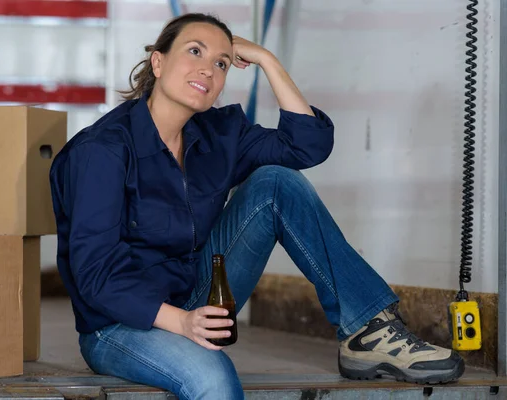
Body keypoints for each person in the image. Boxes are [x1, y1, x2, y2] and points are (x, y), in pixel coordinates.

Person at [49, 12, 465, 399]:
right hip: (120, 323)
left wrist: (267, 60)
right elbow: (94, 277)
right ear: (158, 63)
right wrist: (180, 322)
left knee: (276, 183)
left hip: (193, 294)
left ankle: (367, 333)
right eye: (195, 51)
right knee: (213, 375)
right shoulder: (101, 151)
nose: (208, 69)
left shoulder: (218, 134)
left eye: (223, 63)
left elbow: (307, 145)